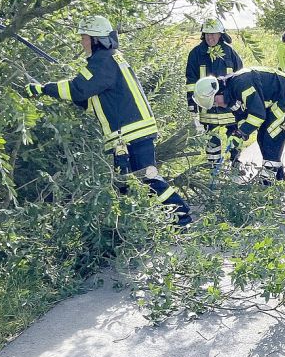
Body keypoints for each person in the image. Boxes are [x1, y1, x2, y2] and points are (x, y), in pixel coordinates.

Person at [26, 15, 192, 225]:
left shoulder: (102, 61)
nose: (82, 41)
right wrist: (75, 97)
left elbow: (77, 89)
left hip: (130, 134)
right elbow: (92, 98)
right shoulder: (111, 58)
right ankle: (135, 225)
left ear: (96, 39)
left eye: (84, 37)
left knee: (146, 177)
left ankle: (181, 217)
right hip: (130, 133)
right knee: (125, 183)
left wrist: (43, 88)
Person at [193, 67, 285, 184]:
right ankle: (278, 178)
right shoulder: (230, 94)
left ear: (218, 92)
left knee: (270, 135)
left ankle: (267, 183)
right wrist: (238, 135)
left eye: (215, 102)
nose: (218, 106)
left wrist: (240, 133)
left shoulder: (242, 85)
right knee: (261, 137)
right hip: (272, 102)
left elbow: (258, 115)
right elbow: (242, 117)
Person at [184, 18, 244, 170]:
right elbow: (191, 79)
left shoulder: (230, 52)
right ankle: (214, 166)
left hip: (229, 103)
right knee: (211, 136)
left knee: (235, 132)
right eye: (207, 34)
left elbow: (241, 75)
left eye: (214, 34)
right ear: (203, 35)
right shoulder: (196, 54)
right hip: (207, 104)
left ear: (220, 34)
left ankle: (236, 161)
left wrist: (241, 98)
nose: (210, 38)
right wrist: (192, 102)